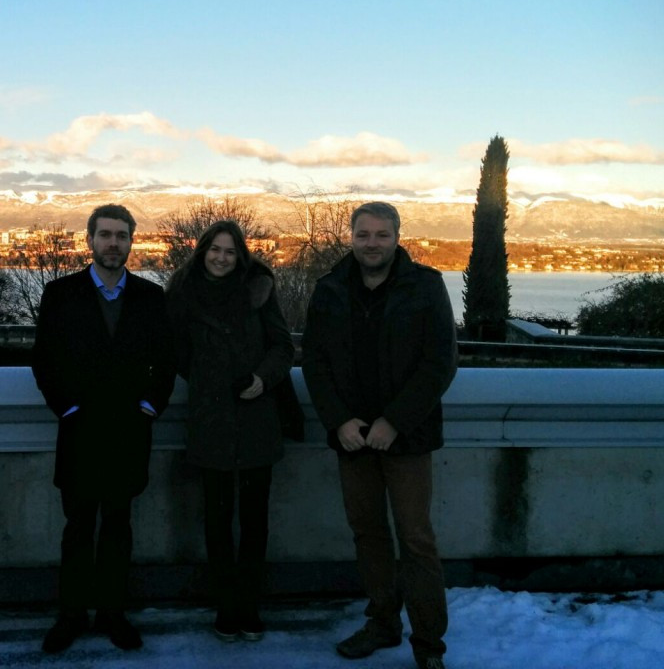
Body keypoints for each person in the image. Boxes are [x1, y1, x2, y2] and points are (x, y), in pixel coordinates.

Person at [301, 202, 458, 669]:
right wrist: (339, 421)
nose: (372, 243)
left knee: (416, 539)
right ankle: (383, 622)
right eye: (363, 234)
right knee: (367, 534)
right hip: (352, 438)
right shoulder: (330, 288)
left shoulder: (425, 286)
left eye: (381, 235)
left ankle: (428, 645)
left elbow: (440, 361)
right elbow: (315, 361)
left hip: (407, 438)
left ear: (397, 237)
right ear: (351, 237)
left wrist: (395, 421)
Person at [31, 204, 175, 654]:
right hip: (79, 431)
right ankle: (71, 615)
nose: (114, 243)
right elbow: (44, 359)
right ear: (90, 240)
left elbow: (166, 361)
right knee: (77, 529)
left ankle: (113, 614)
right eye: (106, 235)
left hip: (128, 433)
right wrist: (67, 408)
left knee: (118, 527)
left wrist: (150, 406)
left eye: (121, 235)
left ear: (132, 241)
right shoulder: (61, 294)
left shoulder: (151, 297)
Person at [166, 220, 295, 642]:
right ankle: (226, 604)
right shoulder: (182, 293)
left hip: (257, 417)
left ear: (241, 256)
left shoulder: (259, 288)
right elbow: (175, 351)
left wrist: (262, 378)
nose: (221, 258)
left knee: (255, 519)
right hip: (211, 418)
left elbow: (283, 346)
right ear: (202, 250)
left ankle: (249, 604)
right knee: (217, 518)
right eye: (215, 249)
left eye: (230, 251)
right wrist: (208, 380)